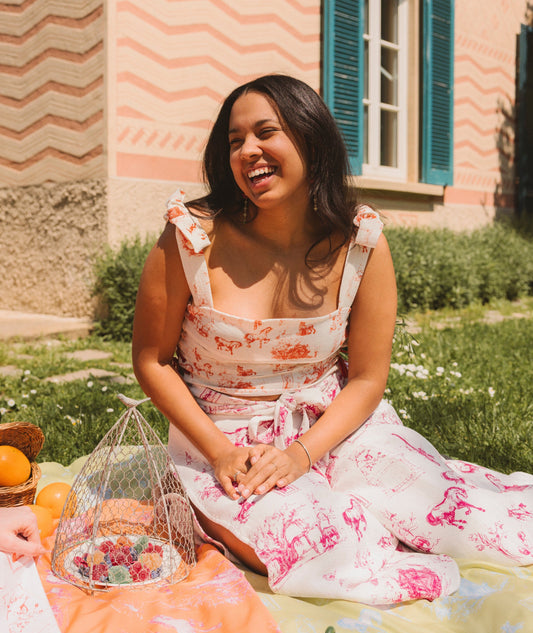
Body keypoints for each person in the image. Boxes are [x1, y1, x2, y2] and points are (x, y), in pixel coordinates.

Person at [132, 74, 533, 606]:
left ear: (310, 137)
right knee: (328, 551)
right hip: (225, 436)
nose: (248, 151)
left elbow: (367, 378)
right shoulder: (190, 237)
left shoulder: (361, 242)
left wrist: (302, 455)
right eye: (234, 141)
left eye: (265, 133)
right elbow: (152, 362)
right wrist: (220, 453)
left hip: (332, 425)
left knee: (460, 518)